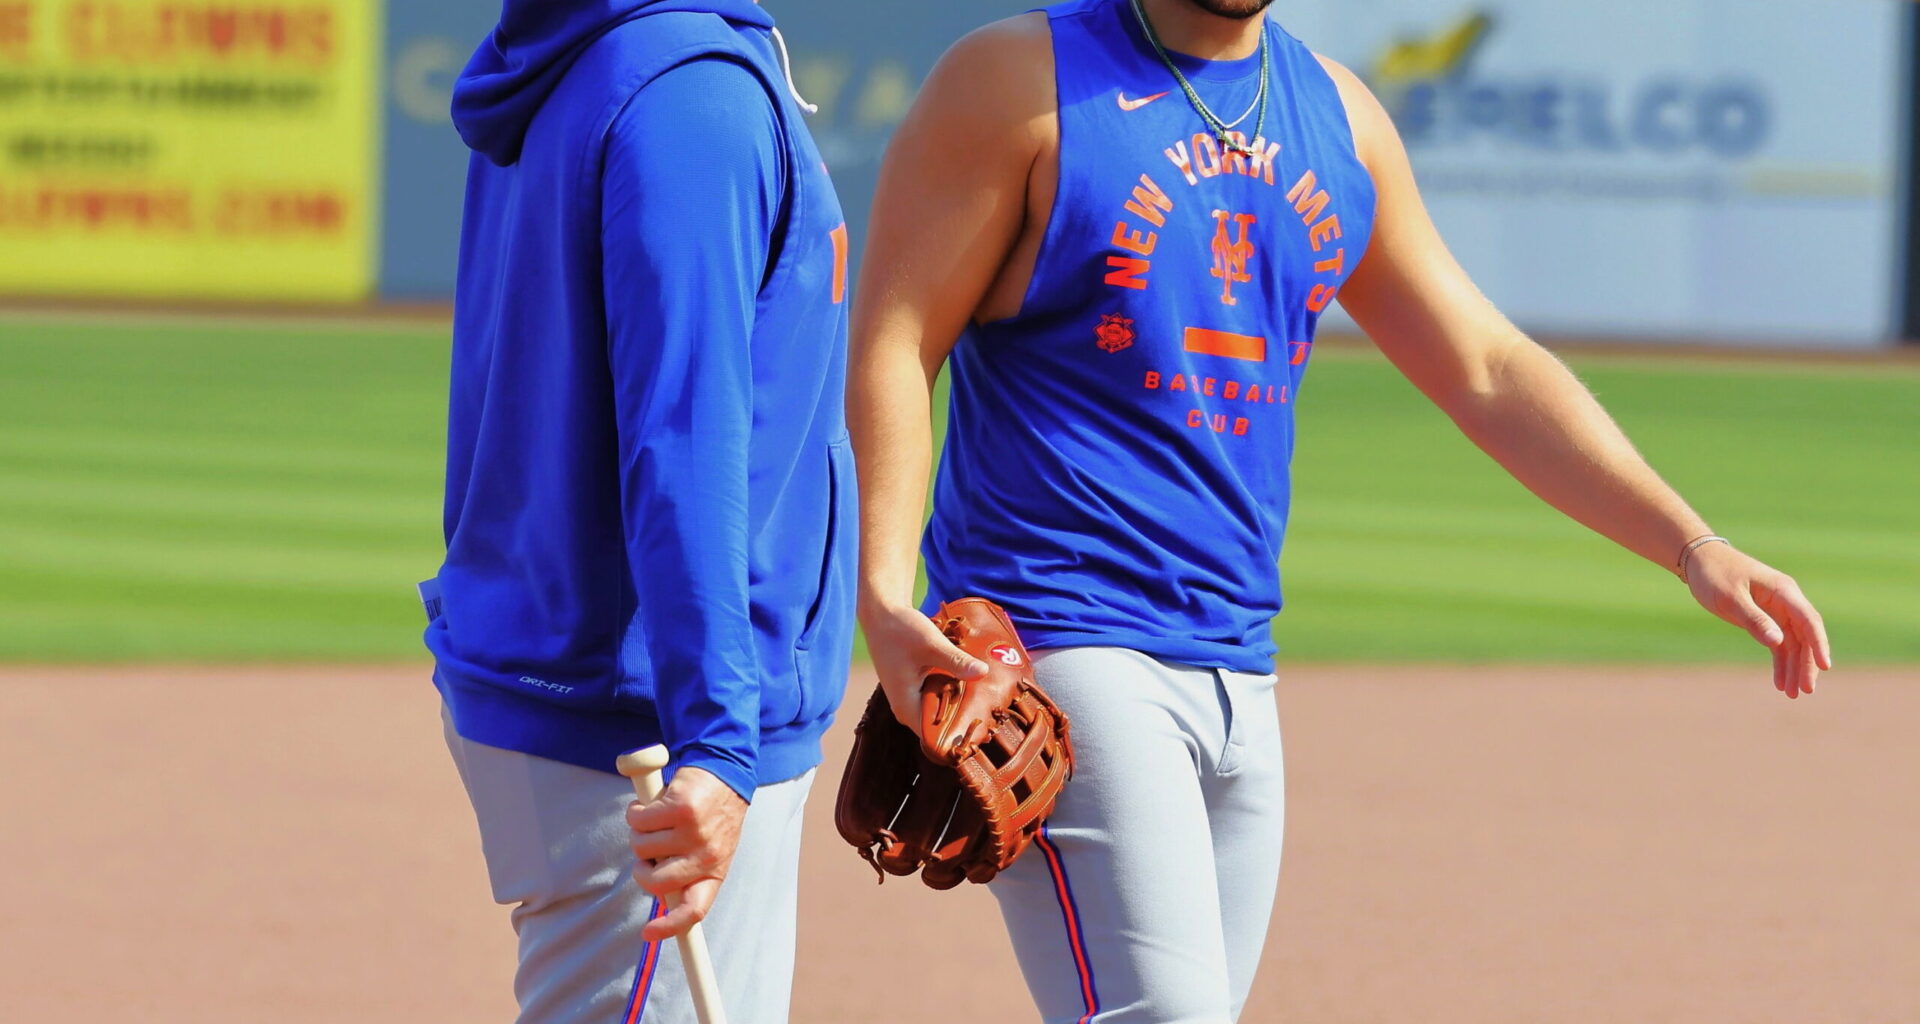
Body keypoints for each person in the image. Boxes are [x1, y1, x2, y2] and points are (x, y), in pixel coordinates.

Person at [847, 0, 1834, 1020]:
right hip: (1061, 651)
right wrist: (884, 594)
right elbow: (896, 337)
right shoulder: (1019, 81)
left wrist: (1690, 543)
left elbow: (1485, 366)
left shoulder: (1336, 114)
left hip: (1240, 673)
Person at [423, 1, 854, 1020]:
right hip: (647, 741)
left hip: (604, 695)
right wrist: (716, 742)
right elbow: (683, 441)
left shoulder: (602, 56)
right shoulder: (686, 92)